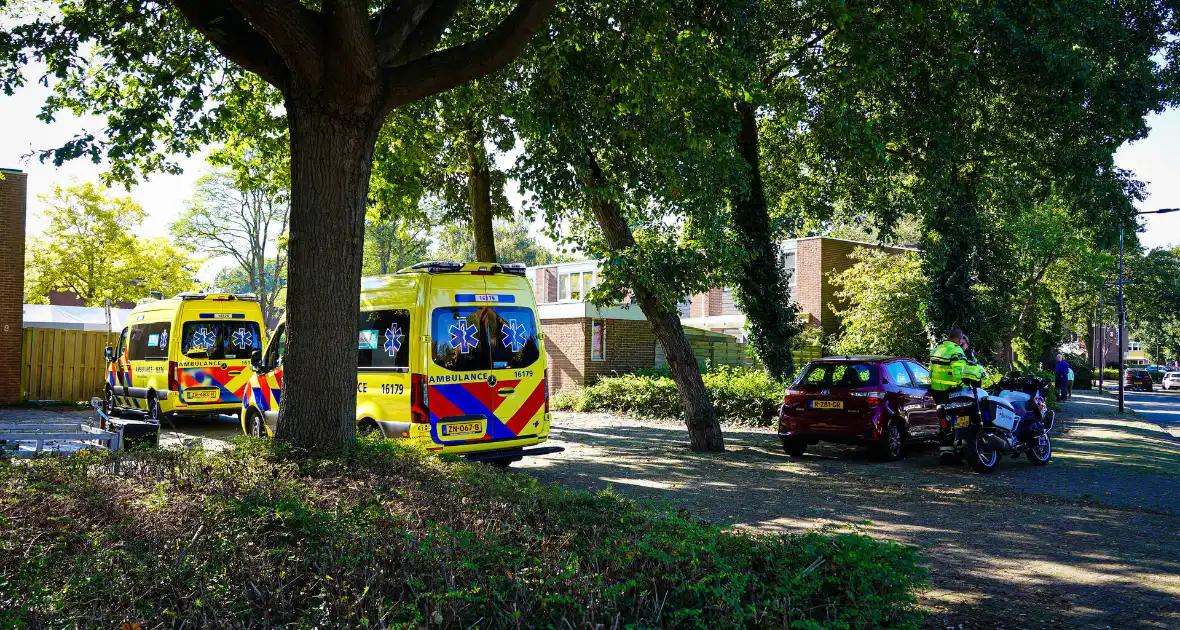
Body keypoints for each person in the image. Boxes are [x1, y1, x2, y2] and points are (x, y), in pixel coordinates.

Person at [930, 327, 969, 464]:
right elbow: (960, 373)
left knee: (944, 421)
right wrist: (965, 388)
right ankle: (958, 452)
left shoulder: (938, 349)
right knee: (959, 421)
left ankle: (945, 453)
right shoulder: (956, 351)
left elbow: (932, 370)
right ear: (960, 339)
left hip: (937, 391)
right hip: (951, 391)